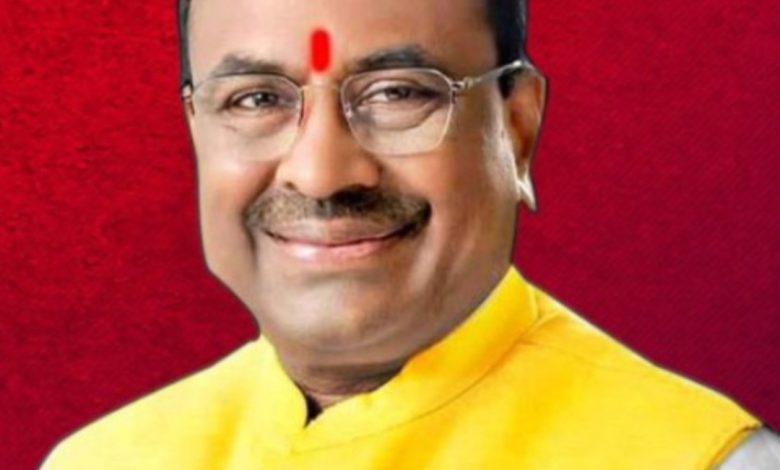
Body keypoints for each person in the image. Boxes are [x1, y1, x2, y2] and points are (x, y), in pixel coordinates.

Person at [42, 0, 779, 468]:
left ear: (517, 132)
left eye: (398, 93)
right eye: (257, 99)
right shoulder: (105, 461)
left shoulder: (701, 460)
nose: (321, 173)